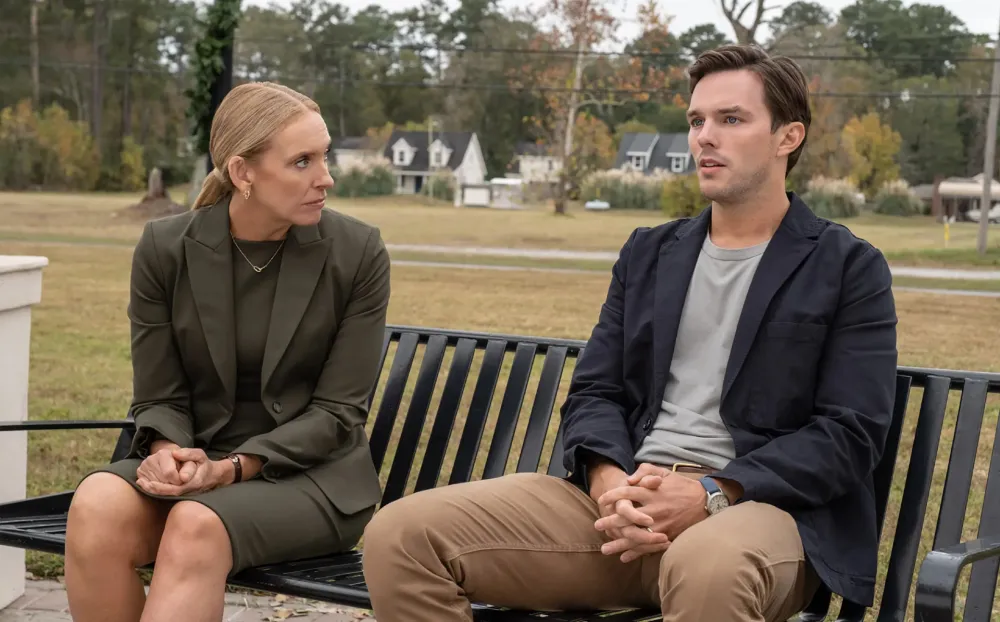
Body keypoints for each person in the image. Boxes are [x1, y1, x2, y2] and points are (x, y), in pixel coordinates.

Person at [360, 43, 898, 622]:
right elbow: (596, 392)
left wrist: (712, 492)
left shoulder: (846, 266)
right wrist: (608, 481)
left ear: (787, 137)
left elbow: (850, 433)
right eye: (696, 120)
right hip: (619, 507)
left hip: (758, 512)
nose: (704, 137)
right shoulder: (649, 253)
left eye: (730, 119)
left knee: (710, 571)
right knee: (402, 535)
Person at [64, 82, 390, 622]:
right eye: (303, 161)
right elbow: (160, 394)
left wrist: (232, 468)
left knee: (195, 523)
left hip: (312, 478)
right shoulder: (165, 249)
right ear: (242, 172)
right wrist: (168, 452)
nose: (326, 178)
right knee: (97, 504)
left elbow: (338, 413)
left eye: (324, 156)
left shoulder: (357, 253)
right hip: (199, 463)